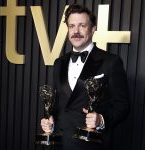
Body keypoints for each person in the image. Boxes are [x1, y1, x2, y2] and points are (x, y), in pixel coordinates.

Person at [41, 4, 129, 150]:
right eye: (71, 26)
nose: (76, 31)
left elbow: (122, 105)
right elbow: (58, 103)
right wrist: (49, 119)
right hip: (61, 144)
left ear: (92, 29)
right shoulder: (59, 63)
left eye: (82, 25)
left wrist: (101, 119)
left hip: (92, 145)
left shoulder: (111, 62)